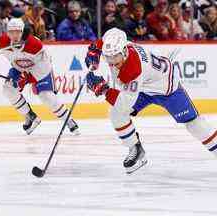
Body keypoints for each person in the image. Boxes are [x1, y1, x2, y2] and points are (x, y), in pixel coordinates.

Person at [84, 28, 217, 174]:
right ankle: (136, 149)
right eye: (108, 57)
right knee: (116, 113)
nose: (113, 62)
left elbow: (124, 103)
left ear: (124, 51)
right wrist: (94, 52)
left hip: (166, 87)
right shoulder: (116, 45)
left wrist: (103, 89)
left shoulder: (132, 69)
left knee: (193, 124)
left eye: (115, 57)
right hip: (144, 86)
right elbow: (101, 42)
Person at [0, 18, 80, 135]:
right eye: (11, 32)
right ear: (7, 32)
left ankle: (68, 120)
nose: (14, 35)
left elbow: (46, 65)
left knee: (46, 96)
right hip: (19, 68)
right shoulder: (2, 42)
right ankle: (30, 116)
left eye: (17, 32)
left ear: (22, 32)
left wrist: (28, 77)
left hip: (39, 69)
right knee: (8, 89)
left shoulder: (35, 45)